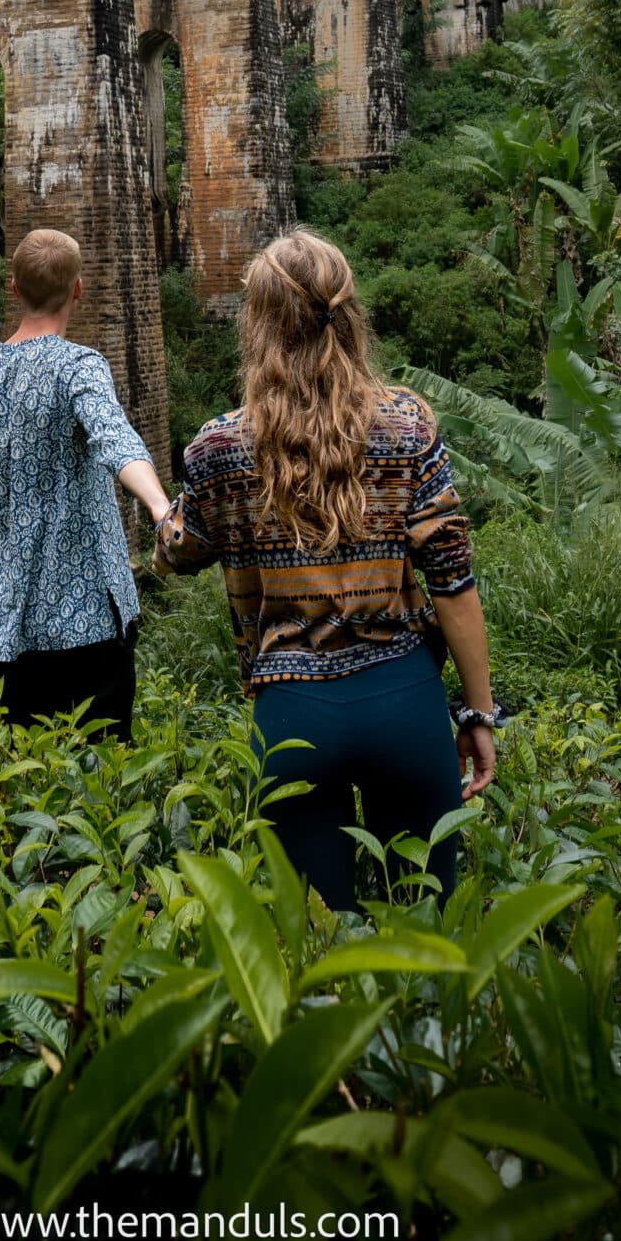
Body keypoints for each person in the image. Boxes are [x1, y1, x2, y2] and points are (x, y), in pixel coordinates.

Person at [154, 229, 495, 910]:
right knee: (431, 925)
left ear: (256, 323)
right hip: (404, 698)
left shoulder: (220, 447)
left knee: (315, 945)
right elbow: (452, 584)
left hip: (291, 714)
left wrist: (168, 512)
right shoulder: (407, 430)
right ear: (347, 315)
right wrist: (479, 711)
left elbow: (177, 554)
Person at [0, 226, 171, 742]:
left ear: (14, 290)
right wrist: (159, 506)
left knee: (22, 784)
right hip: (87, 619)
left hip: (5, 624)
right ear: (78, 290)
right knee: (102, 782)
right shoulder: (79, 368)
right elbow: (116, 439)